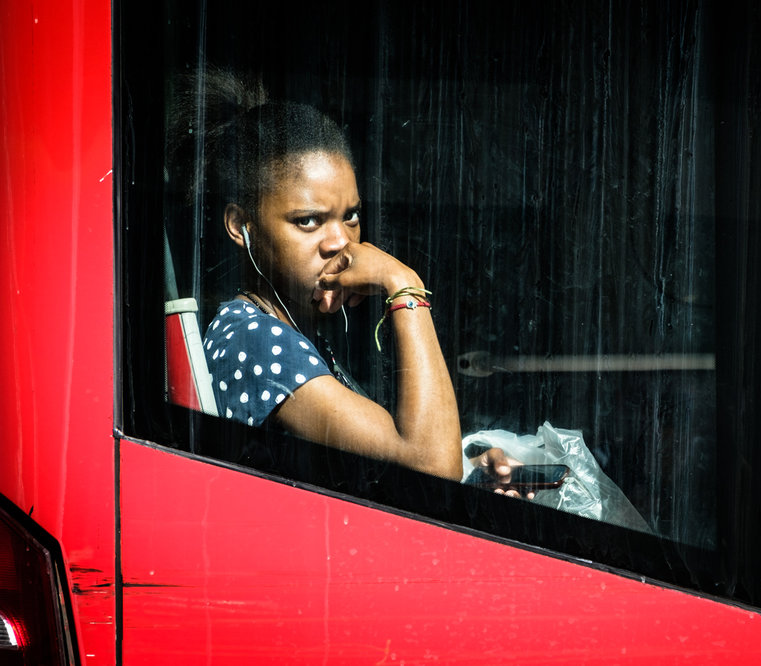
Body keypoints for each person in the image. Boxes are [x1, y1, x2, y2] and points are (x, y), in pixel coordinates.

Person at [174, 70, 521, 489]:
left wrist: (472, 472)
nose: (340, 241)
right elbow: (430, 469)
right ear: (240, 226)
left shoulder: (290, 333)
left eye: (351, 215)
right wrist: (402, 281)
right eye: (307, 221)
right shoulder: (255, 341)